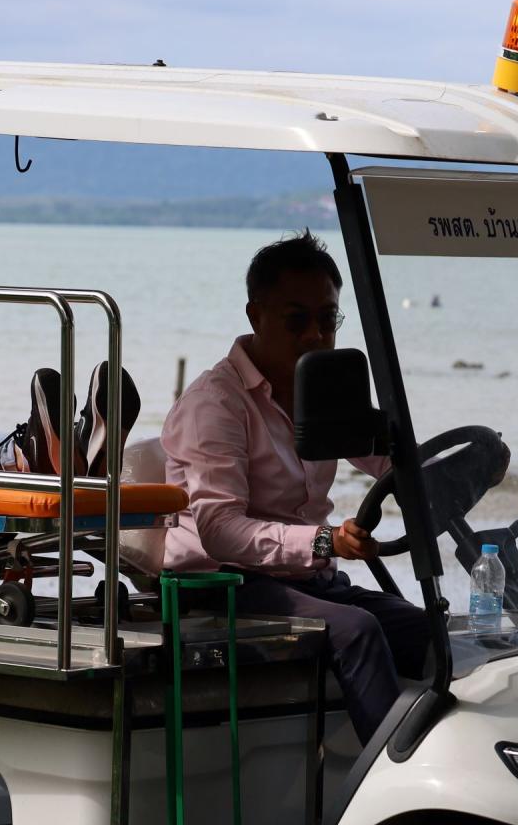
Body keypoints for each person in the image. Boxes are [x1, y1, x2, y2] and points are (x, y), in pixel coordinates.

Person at [162, 231, 431, 744]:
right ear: (254, 315)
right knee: (356, 631)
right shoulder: (216, 404)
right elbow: (219, 530)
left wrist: (448, 468)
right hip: (221, 584)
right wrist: (327, 541)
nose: (315, 335)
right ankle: (391, 776)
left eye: (327, 320)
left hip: (304, 579)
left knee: (427, 631)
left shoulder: (325, 388)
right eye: (297, 320)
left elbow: (388, 460)